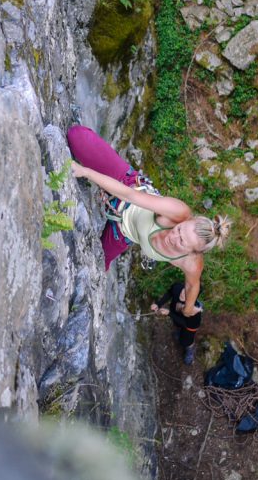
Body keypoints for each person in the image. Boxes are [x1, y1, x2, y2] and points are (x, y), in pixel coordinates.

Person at [66, 125, 231, 312]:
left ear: (193, 252)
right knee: (76, 136)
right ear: (184, 222)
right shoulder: (178, 211)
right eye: (179, 230)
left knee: (94, 269)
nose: (173, 237)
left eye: (182, 242)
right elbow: (129, 195)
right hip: (126, 185)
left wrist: (188, 310)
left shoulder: (191, 263)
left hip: (122, 233)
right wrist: (85, 172)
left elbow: (193, 286)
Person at [151, 281, 202, 365]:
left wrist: (169, 313)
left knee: (185, 341)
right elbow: (169, 293)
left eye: (188, 294)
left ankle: (190, 349)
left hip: (190, 325)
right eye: (184, 290)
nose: (183, 295)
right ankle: (179, 332)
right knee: (177, 325)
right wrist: (158, 304)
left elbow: (185, 324)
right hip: (177, 314)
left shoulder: (194, 311)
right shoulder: (177, 287)